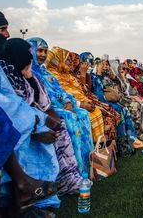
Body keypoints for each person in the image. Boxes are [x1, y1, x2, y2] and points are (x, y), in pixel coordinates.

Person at [0, 11, 59, 217]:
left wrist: (38, 121)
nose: (7, 35)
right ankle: (21, 187)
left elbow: (11, 98)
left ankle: (18, 202)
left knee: (10, 127)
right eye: (2, 29)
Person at [0, 38, 83, 196]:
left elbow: (44, 103)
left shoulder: (32, 76)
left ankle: (68, 178)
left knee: (62, 126)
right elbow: (14, 110)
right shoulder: (5, 78)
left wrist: (30, 77)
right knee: (63, 123)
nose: (31, 58)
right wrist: (37, 129)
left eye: (44, 51)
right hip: (19, 128)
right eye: (33, 52)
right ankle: (37, 191)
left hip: (36, 120)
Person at [27, 37, 94, 179]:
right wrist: (65, 105)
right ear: (31, 50)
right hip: (44, 109)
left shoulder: (46, 73)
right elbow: (43, 97)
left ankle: (88, 165)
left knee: (82, 114)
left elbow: (60, 91)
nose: (43, 55)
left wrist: (68, 101)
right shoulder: (30, 72)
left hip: (61, 105)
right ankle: (73, 172)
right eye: (39, 51)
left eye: (45, 51)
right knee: (70, 117)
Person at [46, 47, 120, 143]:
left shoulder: (67, 75)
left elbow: (84, 89)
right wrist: (84, 74)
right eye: (67, 59)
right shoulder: (52, 75)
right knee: (103, 115)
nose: (70, 62)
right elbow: (81, 90)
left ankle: (109, 146)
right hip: (72, 104)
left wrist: (87, 73)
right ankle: (99, 147)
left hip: (84, 100)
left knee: (113, 112)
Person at [90, 58, 143, 148]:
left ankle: (133, 138)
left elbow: (121, 89)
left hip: (116, 99)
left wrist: (115, 78)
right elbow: (98, 93)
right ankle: (125, 143)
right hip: (104, 102)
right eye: (103, 64)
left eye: (107, 64)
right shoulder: (94, 76)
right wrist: (99, 73)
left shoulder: (109, 76)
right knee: (121, 110)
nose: (105, 66)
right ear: (97, 66)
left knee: (126, 109)